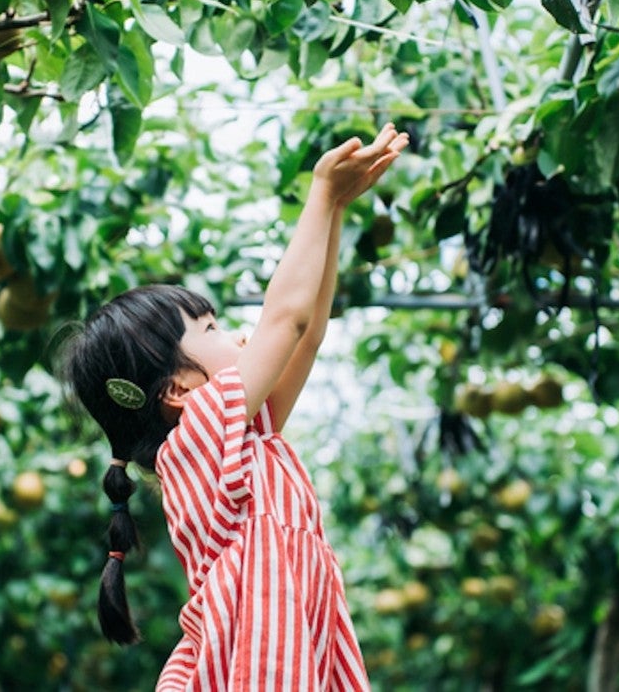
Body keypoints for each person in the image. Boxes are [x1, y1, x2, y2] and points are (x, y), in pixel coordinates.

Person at [60, 123, 408, 690]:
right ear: (177, 389)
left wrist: (338, 209)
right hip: (255, 662)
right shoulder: (198, 436)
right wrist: (319, 192)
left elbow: (307, 333)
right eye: (212, 328)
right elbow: (285, 319)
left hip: (280, 653)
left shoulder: (238, 439)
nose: (242, 336)